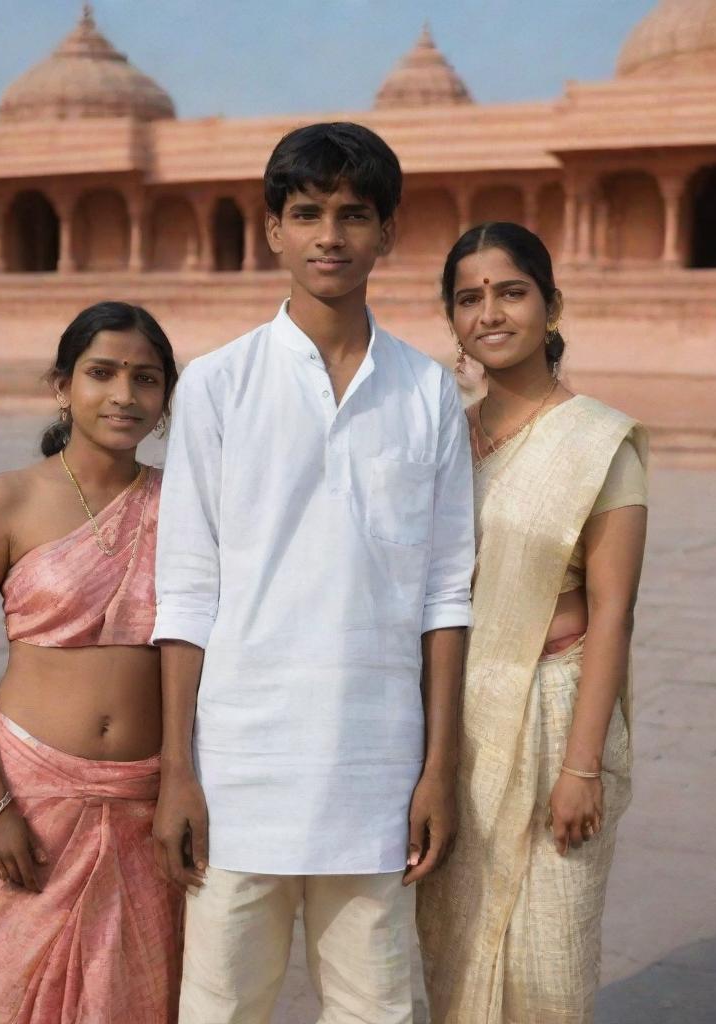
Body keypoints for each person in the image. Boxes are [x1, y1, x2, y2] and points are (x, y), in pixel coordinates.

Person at [151, 122, 475, 1024]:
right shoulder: (219, 384)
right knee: (221, 1009)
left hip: (376, 766)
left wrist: (436, 768)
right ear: (273, 232)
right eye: (307, 213)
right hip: (240, 767)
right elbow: (185, 593)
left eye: (353, 214)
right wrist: (178, 770)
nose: (330, 235)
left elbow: (446, 595)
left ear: (387, 234)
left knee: (377, 1009)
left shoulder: (426, 391)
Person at [416, 222, 649, 1024]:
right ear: (452, 321)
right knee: (452, 952)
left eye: (511, 292)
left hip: (555, 714)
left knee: (550, 963)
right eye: (468, 298)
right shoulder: (443, 437)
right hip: (453, 723)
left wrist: (582, 766)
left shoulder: (598, 441)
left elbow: (613, 611)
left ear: (550, 306)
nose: (490, 313)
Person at [0, 302, 184, 1024]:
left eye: (146, 379)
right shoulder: (6, 501)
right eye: (101, 374)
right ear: (63, 385)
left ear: (165, 400)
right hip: (28, 799)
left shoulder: (184, 503)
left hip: (147, 803)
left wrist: (185, 784)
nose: (123, 396)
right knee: (12, 999)